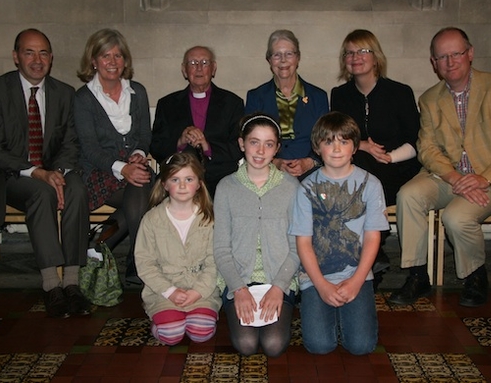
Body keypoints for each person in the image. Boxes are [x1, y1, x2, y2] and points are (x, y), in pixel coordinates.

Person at [390, 27, 491, 308]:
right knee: (408, 196)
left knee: (456, 217)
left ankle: (475, 277)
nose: (450, 61)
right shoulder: (430, 99)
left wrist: (484, 178)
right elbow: (428, 148)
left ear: (470, 53)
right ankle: (417, 275)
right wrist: (455, 178)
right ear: (433, 63)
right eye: (441, 56)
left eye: (456, 53)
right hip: (448, 176)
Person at [0, 28, 90, 318]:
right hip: (10, 176)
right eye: (29, 52)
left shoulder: (64, 93)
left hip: (53, 171)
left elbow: (71, 142)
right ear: (15, 57)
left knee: (76, 188)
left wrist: (57, 172)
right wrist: (38, 173)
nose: (37, 59)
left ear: (51, 58)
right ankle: (51, 285)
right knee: (40, 191)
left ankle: (71, 282)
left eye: (44, 52)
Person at [289, 111, 389, 355]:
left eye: (344, 141)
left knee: (361, 346)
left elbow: (373, 237)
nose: (336, 149)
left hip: (356, 274)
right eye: (328, 142)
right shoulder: (306, 189)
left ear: (355, 147)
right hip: (315, 277)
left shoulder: (371, 184)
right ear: (317, 147)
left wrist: (356, 282)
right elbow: (303, 243)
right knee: (319, 346)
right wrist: (321, 285)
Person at [331, 29, 422, 282]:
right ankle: (373, 254)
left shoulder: (400, 92)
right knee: (357, 170)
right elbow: (336, 137)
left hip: (397, 169)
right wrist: (361, 145)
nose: (355, 57)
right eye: (349, 52)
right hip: (360, 169)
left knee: (363, 180)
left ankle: (372, 252)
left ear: (376, 56)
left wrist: (390, 157)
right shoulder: (340, 95)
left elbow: (415, 140)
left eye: (363, 51)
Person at [213, 113, 300, 357]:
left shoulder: (290, 187)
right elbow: (221, 248)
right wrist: (239, 289)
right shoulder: (226, 187)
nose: (261, 151)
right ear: (242, 144)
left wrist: (279, 288)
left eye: (269, 144)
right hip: (240, 279)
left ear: (277, 149)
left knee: (273, 345)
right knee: (246, 344)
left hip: (278, 279)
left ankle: (281, 311)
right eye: (254, 142)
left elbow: (297, 247)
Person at [74, 28, 154, 285]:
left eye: (118, 56)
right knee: (145, 189)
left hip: (132, 168)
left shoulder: (137, 92)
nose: (112, 62)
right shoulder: (83, 98)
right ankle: (136, 260)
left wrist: (139, 155)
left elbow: (144, 134)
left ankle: (101, 240)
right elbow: (89, 148)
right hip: (100, 170)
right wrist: (123, 168)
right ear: (93, 61)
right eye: (105, 56)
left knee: (147, 185)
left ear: (125, 61)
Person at [135, 152, 221, 345]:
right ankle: (164, 319)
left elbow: (215, 261)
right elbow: (145, 263)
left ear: (199, 183)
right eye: (175, 179)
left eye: (188, 179)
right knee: (171, 334)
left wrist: (197, 291)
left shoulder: (210, 218)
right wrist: (170, 291)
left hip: (202, 291)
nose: (182, 186)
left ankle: (194, 316)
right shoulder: (152, 220)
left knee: (201, 333)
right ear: (165, 184)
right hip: (163, 291)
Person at [150, 46, 244, 198]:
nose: (199, 68)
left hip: (219, 179)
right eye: (193, 63)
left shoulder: (232, 103)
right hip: (177, 179)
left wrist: (208, 147)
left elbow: (238, 147)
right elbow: (156, 147)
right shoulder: (167, 104)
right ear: (184, 70)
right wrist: (179, 142)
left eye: (205, 62)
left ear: (213, 69)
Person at [245, 29, 329, 179]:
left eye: (289, 54)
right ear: (269, 60)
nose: (283, 60)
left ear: (298, 58)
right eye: (277, 55)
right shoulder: (255, 97)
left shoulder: (318, 96)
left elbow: (326, 137)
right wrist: (274, 163)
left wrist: (309, 162)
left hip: (313, 173)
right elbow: (248, 140)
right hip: (268, 172)